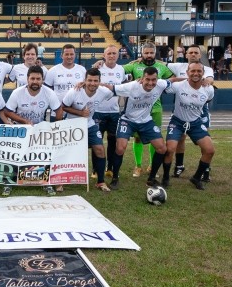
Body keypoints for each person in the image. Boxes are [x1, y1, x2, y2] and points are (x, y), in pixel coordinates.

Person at [102, 66, 171, 190]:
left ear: (157, 79)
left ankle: (151, 179)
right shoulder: (132, 86)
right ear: (142, 78)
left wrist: (194, 79)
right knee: (120, 148)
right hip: (128, 120)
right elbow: (111, 87)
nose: (150, 83)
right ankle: (115, 178)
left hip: (146, 121)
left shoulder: (161, 84)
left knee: (162, 148)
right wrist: (90, 84)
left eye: (153, 80)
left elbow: (173, 80)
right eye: (147, 79)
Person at [118, 42, 174, 178]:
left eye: (151, 53)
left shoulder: (161, 67)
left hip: (156, 108)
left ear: (155, 53)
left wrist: (161, 85)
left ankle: (151, 166)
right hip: (138, 109)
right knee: (137, 139)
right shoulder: (134, 65)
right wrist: (101, 63)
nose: (149, 55)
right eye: (146, 53)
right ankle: (138, 166)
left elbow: (173, 77)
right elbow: (117, 70)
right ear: (141, 53)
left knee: (155, 138)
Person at [4, 65, 62, 196]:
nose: (35, 81)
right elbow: (7, 112)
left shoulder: (49, 93)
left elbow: (59, 110)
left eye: (38, 79)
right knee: (15, 156)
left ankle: (45, 183)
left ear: (42, 80)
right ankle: (9, 183)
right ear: (27, 79)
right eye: (32, 78)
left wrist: (55, 126)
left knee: (42, 156)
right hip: (20, 129)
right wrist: (24, 121)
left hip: (39, 129)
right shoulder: (17, 92)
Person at [161, 62, 215, 190]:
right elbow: (161, 86)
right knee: (170, 149)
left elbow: (208, 100)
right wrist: (175, 79)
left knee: (210, 150)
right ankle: (165, 178)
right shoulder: (179, 86)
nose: (196, 73)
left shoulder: (209, 89)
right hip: (177, 122)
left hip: (195, 123)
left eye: (199, 71)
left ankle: (196, 178)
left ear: (203, 73)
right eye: (193, 71)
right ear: (187, 72)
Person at [61, 68, 115, 192]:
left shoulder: (104, 92)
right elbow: (63, 107)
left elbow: (115, 90)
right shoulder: (74, 91)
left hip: (90, 124)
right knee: (68, 152)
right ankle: (62, 178)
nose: (92, 83)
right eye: (89, 80)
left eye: (96, 81)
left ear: (99, 81)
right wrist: (80, 113)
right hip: (72, 124)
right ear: (84, 80)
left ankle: (100, 182)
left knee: (100, 149)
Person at [92, 45, 126, 180]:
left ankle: (110, 168)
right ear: (104, 55)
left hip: (114, 112)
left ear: (118, 55)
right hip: (98, 111)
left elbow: (122, 88)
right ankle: (95, 169)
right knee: (96, 142)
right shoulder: (98, 68)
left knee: (113, 141)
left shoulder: (121, 69)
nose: (111, 56)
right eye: (109, 53)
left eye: (114, 53)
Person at [44, 44, 86, 120]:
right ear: (61, 55)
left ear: (75, 55)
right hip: (57, 113)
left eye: (71, 54)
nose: (69, 57)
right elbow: (47, 92)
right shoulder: (53, 70)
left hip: (76, 113)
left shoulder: (82, 70)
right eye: (66, 54)